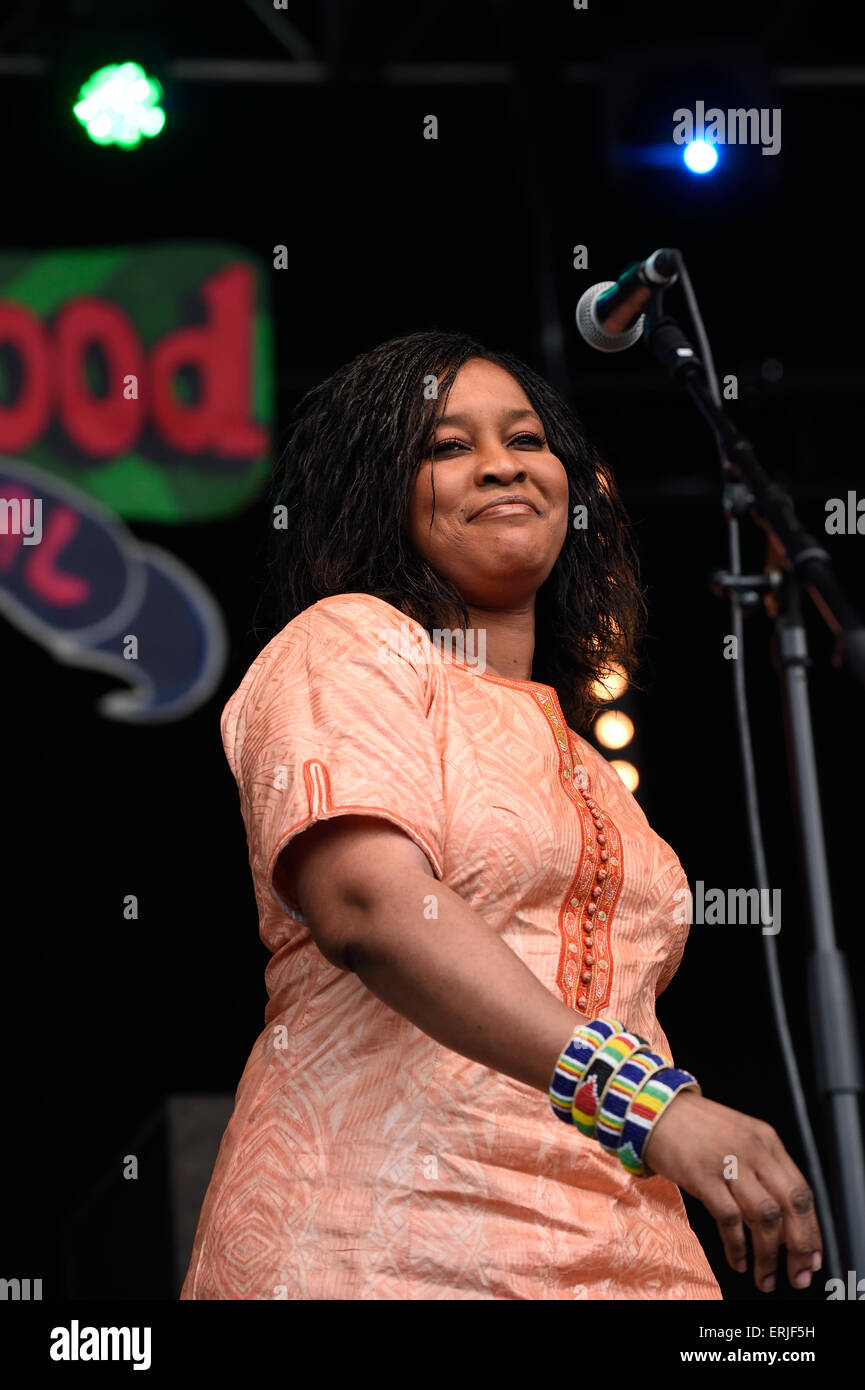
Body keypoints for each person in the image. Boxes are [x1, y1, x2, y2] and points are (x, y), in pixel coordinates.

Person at [180, 330, 822, 1300]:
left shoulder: (589, 764)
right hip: (388, 1243)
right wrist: (647, 1104)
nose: (500, 463)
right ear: (377, 494)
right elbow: (370, 903)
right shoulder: (351, 643)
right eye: (445, 446)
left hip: (622, 1253)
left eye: (525, 439)